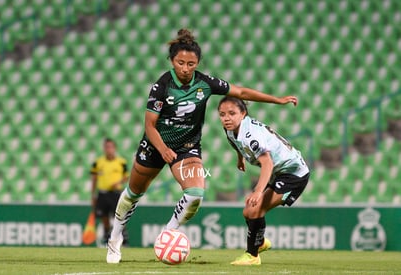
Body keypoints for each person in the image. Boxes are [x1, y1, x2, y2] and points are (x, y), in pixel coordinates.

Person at [106, 29, 298, 263]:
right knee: (133, 193)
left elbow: (241, 91)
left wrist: (276, 100)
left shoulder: (205, 83)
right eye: (180, 63)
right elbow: (149, 125)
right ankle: (115, 239)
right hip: (155, 145)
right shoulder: (162, 86)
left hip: (187, 147)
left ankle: (168, 233)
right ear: (172, 61)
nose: (186, 68)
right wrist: (164, 149)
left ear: (197, 63)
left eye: (191, 63)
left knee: (195, 194)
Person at [217, 96, 310, 266]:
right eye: (222, 114)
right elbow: (233, 141)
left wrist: (258, 191)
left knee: (255, 209)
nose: (227, 118)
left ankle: (252, 255)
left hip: (293, 174)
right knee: (248, 212)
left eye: (232, 113)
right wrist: (240, 158)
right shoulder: (230, 129)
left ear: (243, 113)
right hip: (279, 172)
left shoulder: (250, 135)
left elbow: (267, 162)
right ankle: (259, 243)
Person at [90, 138, 129, 244]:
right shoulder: (98, 163)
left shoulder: (121, 162)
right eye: (107, 147)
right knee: (104, 216)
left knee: (119, 215)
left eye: (111, 147)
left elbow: (127, 176)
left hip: (116, 193)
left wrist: (118, 182)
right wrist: (93, 194)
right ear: (104, 148)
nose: (109, 149)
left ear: (115, 148)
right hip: (103, 193)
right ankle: (107, 234)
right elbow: (94, 179)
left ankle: (123, 236)